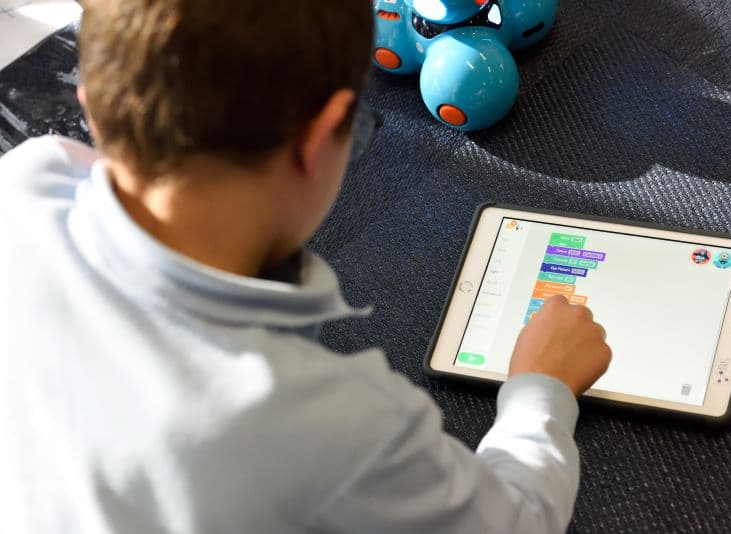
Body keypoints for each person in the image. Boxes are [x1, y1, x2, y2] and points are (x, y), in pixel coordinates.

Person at [0, 0, 611, 532]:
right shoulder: (337, 423)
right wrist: (542, 388)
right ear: (319, 139)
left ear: (92, 109)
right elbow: (516, 521)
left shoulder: (26, 181)